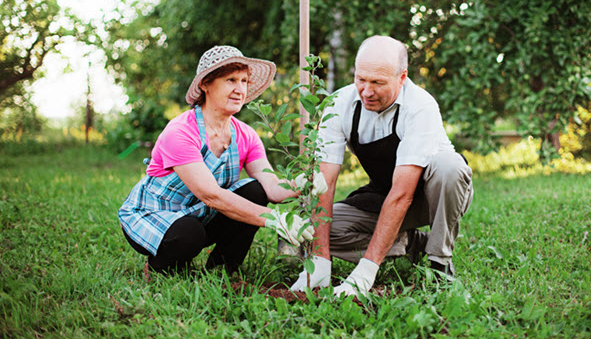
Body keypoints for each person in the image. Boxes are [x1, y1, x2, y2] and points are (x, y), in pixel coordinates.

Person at [290, 35, 474, 296]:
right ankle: (410, 244)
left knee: (449, 168)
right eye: (360, 79)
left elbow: (403, 194)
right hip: (383, 194)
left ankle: (439, 262)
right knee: (306, 230)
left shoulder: (420, 107)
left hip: (435, 198)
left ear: (402, 77)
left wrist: (366, 270)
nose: (366, 91)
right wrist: (319, 259)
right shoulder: (339, 105)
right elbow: (324, 182)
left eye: (377, 82)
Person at [118, 45, 315, 275]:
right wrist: (274, 220)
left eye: (244, 81)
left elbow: (270, 186)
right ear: (205, 84)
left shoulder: (246, 135)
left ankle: (222, 270)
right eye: (231, 80)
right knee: (189, 234)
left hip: (199, 212)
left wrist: (300, 184)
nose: (240, 89)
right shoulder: (181, 132)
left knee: (255, 191)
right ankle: (159, 267)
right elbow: (211, 195)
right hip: (152, 214)